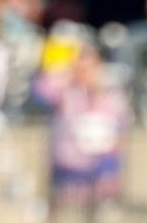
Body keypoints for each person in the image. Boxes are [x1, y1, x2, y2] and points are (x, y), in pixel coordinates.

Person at [46, 44, 129, 205]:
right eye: (81, 68)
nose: (85, 73)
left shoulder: (112, 95)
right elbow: (44, 89)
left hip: (102, 168)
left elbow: (121, 126)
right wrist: (68, 74)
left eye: (90, 67)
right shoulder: (65, 92)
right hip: (69, 167)